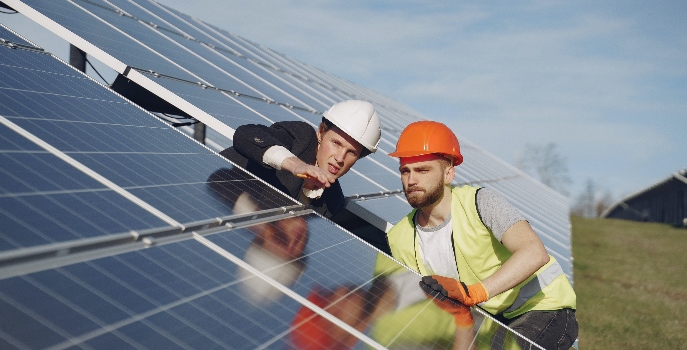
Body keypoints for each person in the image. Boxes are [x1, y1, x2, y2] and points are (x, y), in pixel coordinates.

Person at [384, 120, 578, 350]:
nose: (411, 180)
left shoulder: (479, 202)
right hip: (487, 323)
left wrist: (473, 293)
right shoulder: (399, 237)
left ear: (448, 174)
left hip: (543, 307)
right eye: (405, 171)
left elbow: (534, 252)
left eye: (422, 170)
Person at [217, 100, 381, 219]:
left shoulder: (333, 202)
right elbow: (245, 135)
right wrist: (294, 165)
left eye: (351, 152)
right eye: (336, 143)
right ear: (321, 133)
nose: (340, 158)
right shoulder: (302, 138)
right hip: (213, 198)